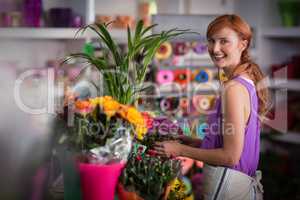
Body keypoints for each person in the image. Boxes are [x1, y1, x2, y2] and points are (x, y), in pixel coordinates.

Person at [154, 14, 270, 200]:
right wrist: (197, 142)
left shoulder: (233, 89)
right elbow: (235, 147)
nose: (215, 49)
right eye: (211, 41)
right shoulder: (245, 82)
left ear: (243, 44)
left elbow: (231, 157)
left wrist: (179, 150)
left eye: (224, 41)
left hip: (229, 189)